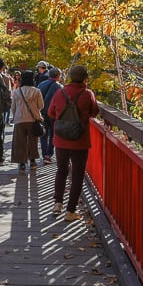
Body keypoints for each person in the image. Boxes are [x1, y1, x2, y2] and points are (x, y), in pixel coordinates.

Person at [47, 65, 99, 222]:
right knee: (77, 175)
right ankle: (70, 211)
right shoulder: (87, 93)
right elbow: (94, 111)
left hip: (61, 139)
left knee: (61, 171)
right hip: (79, 141)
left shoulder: (60, 92)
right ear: (85, 79)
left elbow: (50, 112)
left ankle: (57, 203)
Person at [10, 70, 44, 173]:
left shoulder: (17, 92)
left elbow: (13, 108)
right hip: (32, 120)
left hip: (20, 119)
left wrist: (15, 115)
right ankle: (33, 162)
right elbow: (41, 106)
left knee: (20, 142)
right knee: (32, 141)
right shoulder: (36, 91)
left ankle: (22, 164)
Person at [37, 67, 62, 164]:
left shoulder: (41, 85)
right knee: (52, 134)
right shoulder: (59, 87)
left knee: (43, 134)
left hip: (42, 112)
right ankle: (50, 153)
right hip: (54, 114)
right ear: (58, 76)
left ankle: (45, 154)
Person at [0, 58, 14, 126]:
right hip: (1, 105)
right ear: (3, 67)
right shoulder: (5, 78)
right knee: (1, 125)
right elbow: (8, 92)